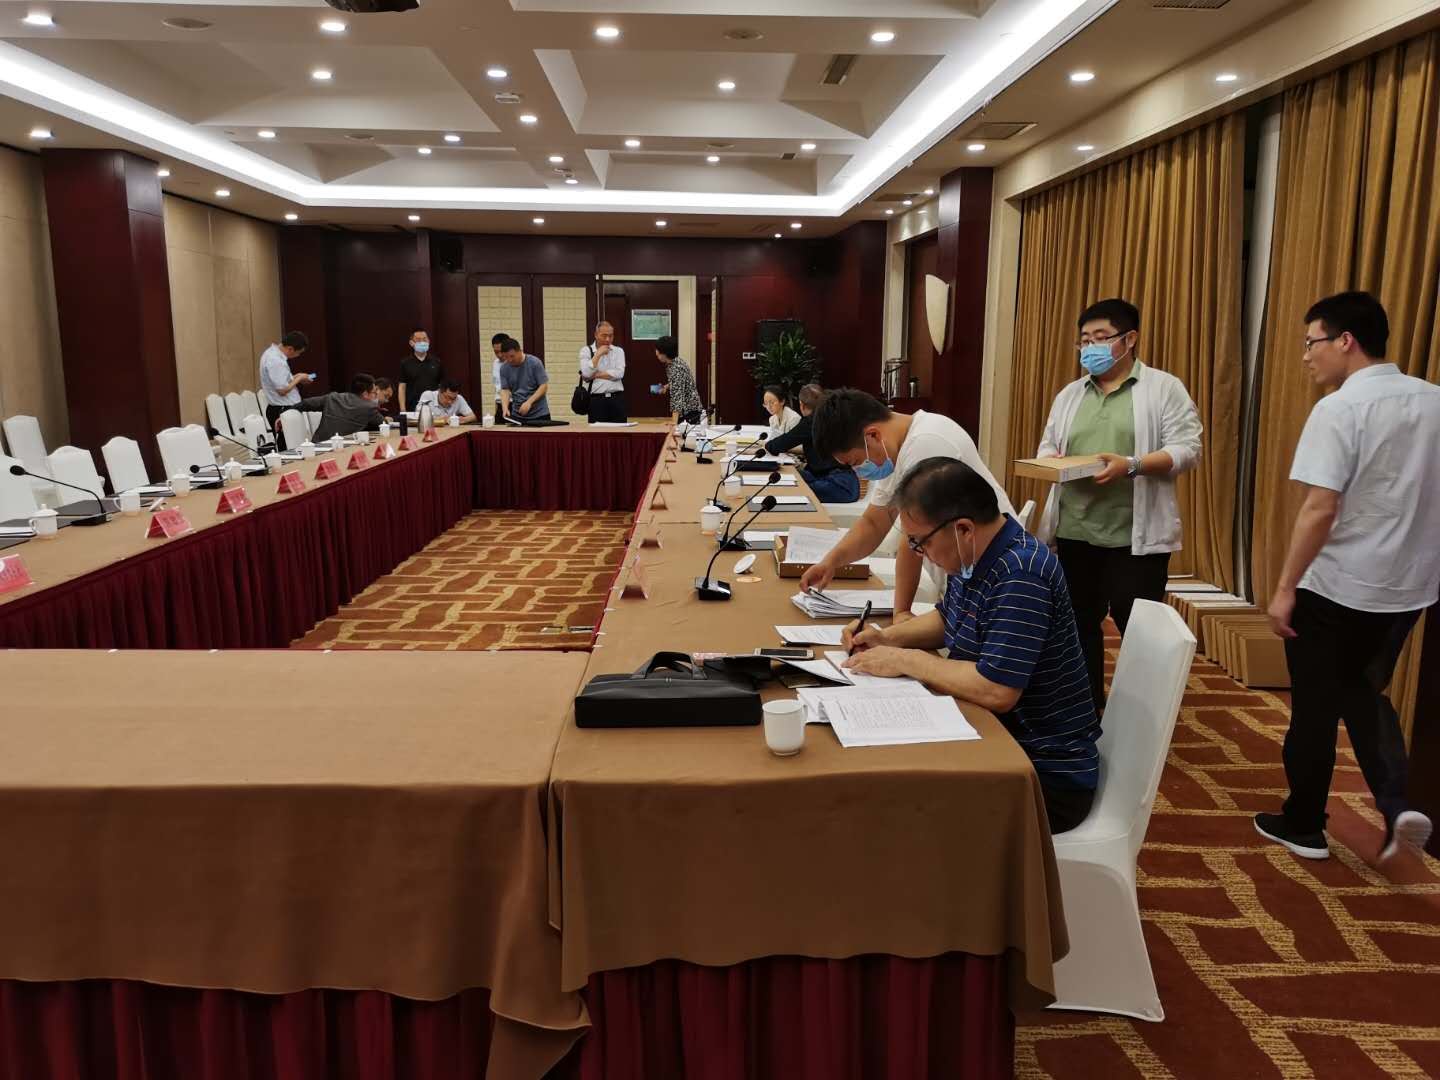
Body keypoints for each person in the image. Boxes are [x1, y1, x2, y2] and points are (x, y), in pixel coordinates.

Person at [1256, 291, 1440, 865]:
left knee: (1314, 706)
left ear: (1345, 340)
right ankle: (1396, 801)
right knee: (1362, 690)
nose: (1306, 355)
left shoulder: (1340, 409)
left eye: (1311, 342)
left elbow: (1320, 508)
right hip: (1409, 586)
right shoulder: (1434, 401)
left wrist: (1285, 587)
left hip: (1337, 584)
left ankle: (1304, 824)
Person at [843, 458, 1100, 834]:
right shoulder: (977, 554)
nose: (920, 553)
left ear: (963, 528)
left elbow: (997, 690)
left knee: (892, 802)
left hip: (1039, 772)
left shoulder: (1021, 574)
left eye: (921, 543)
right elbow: (950, 617)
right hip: (998, 738)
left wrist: (906, 660)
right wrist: (886, 638)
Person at [1035, 297, 1203, 712]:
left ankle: (1140, 718)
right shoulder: (1071, 394)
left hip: (1135, 537)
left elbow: (1187, 450)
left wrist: (1132, 465)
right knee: (1079, 625)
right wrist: (1054, 461)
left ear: (1129, 340)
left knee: (1138, 628)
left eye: (1100, 337)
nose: (1089, 347)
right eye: (1084, 340)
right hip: (1076, 530)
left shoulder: (1163, 388)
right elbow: (1049, 445)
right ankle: (1086, 709)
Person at [804, 389, 1014, 622]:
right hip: (963, 575)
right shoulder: (897, 449)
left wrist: (901, 612)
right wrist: (831, 562)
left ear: (872, 435)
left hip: (995, 574)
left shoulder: (925, 444)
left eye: (856, 462)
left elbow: (913, 538)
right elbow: (874, 523)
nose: (859, 471)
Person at [763, 384, 859, 503]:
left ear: (802, 405)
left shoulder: (811, 422)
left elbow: (777, 445)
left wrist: (764, 446)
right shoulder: (832, 417)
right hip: (837, 479)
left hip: (838, 485)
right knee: (786, 478)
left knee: (786, 487)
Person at [259, 331, 312, 448]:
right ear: (290, 349)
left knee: (293, 446)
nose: (298, 356)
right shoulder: (276, 361)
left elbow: (281, 381)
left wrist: (297, 376)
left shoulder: (271, 354)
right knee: (288, 448)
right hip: (282, 409)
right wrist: (299, 378)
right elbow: (282, 390)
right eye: (298, 353)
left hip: (282, 407)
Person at [295, 373, 384, 441]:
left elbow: (306, 403)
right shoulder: (369, 407)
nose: (376, 396)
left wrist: (288, 411)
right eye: (374, 393)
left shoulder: (333, 397)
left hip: (316, 446)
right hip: (339, 449)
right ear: (365, 394)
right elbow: (383, 425)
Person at [579, 320, 627, 423]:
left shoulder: (618, 351)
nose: (608, 339)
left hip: (617, 398)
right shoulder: (586, 351)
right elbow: (586, 373)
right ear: (596, 335)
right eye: (604, 336)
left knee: (620, 431)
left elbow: (619, 373)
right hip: (597, 400)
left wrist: (595, 375)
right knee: (597, 432)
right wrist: (598, 354)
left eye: (611, 336)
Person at [497, 338, 551, 423]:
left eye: (512, 356)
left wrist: (529, 402)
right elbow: (505, 390)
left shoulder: (535, 363)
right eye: (506, 357)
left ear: (520, 351)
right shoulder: (504, 368)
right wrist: (505, 407)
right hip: (517, 415)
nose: (510, 360)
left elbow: (543, 386)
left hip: (539, 414)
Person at [656, 335, 703, 425]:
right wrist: (667, 386)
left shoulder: (676, 368)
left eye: (658, 351)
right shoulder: (674, 362)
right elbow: (679, 382)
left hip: (689, 412)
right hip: (688, 409)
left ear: (664, 353)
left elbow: (677, 396)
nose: (656, 353)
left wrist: (674, 422)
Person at [398, 329, 443, 411]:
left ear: (429, 341)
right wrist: (403, 409)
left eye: (425, 339)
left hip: (433, 407)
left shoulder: (437, 362)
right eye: (418, 340)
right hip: (412, 406)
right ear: (411, 343)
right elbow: (402, 387)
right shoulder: (405, 363)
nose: (422, 342)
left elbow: (441, 386)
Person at [490, 332, 509, 423]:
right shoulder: (495, 363)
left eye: (501, 351)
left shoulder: (515, 363)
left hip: (513, 404)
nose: (499, 355)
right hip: (500, 405)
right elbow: (497, 387)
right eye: (496, 352)